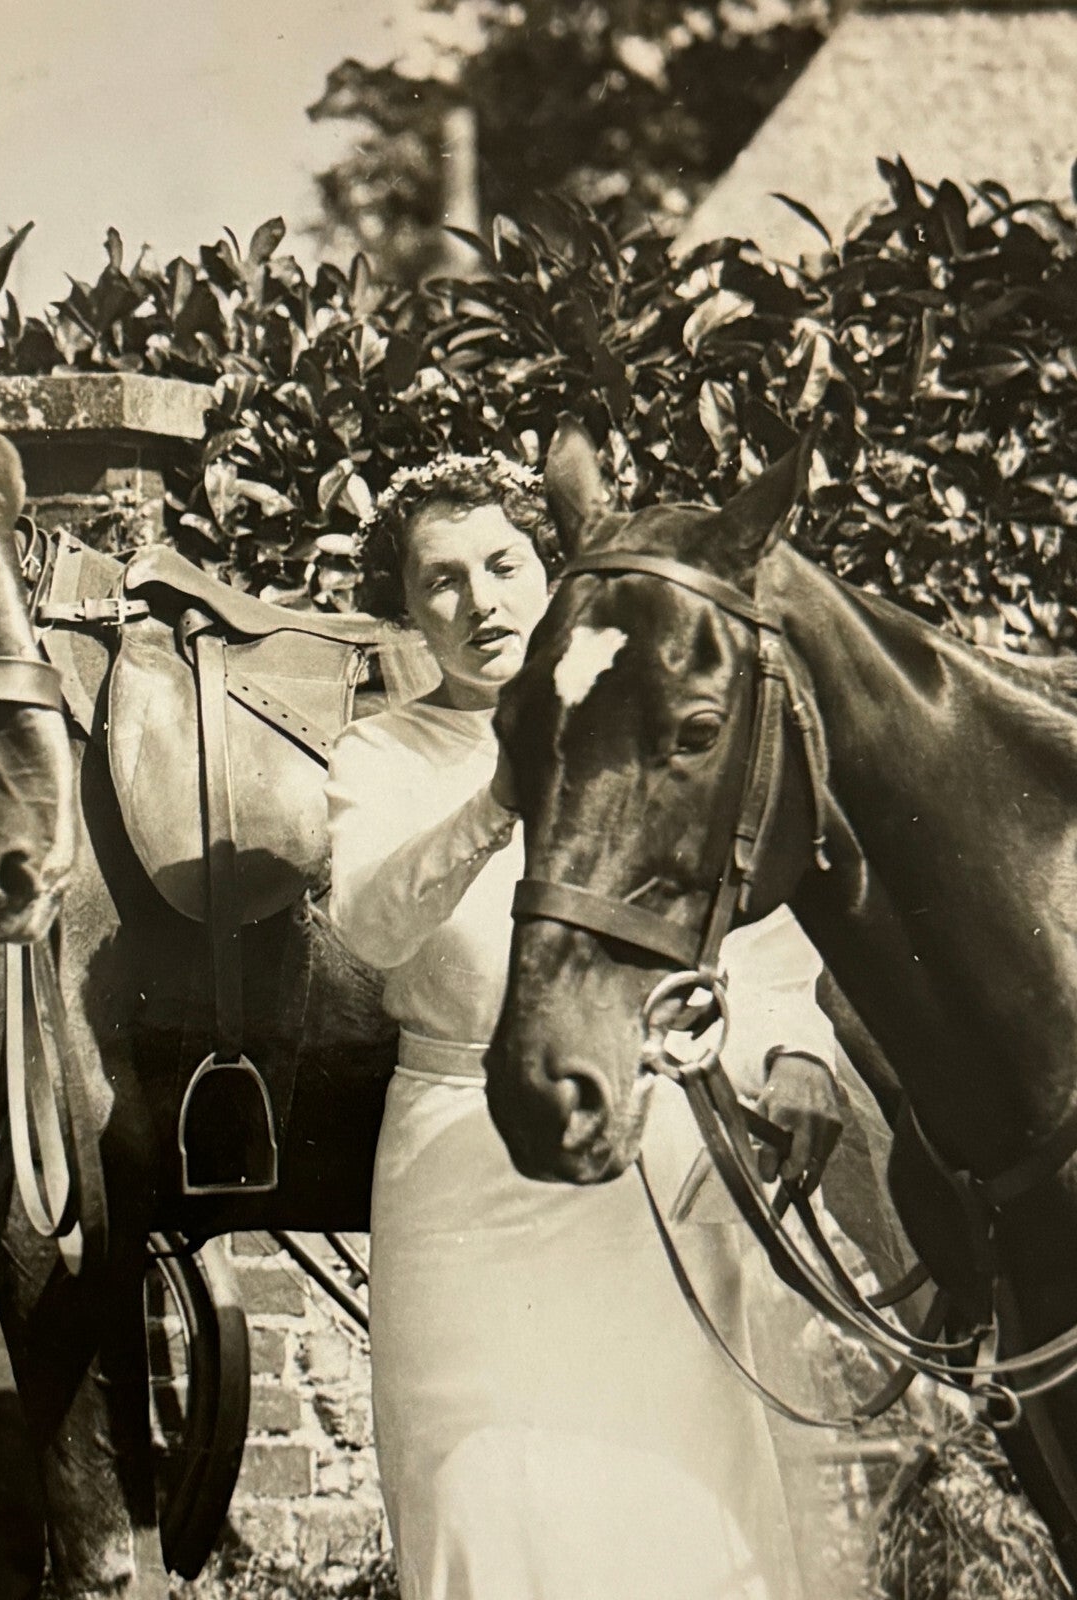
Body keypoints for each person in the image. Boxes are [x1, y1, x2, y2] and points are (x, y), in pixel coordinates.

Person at [324, 451, 846, 1600]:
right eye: (441, 581)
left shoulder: (632, 716)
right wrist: (495, 795)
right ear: (408, 610)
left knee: (672, 1490)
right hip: (460, 1161)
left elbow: (734, 917)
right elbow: (367, 926)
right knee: (480, 1492)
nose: (480, 603)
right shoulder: (383, 752)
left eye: (504, 564)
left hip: (641, 1146)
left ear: (551, 572)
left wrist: (793, 1051)